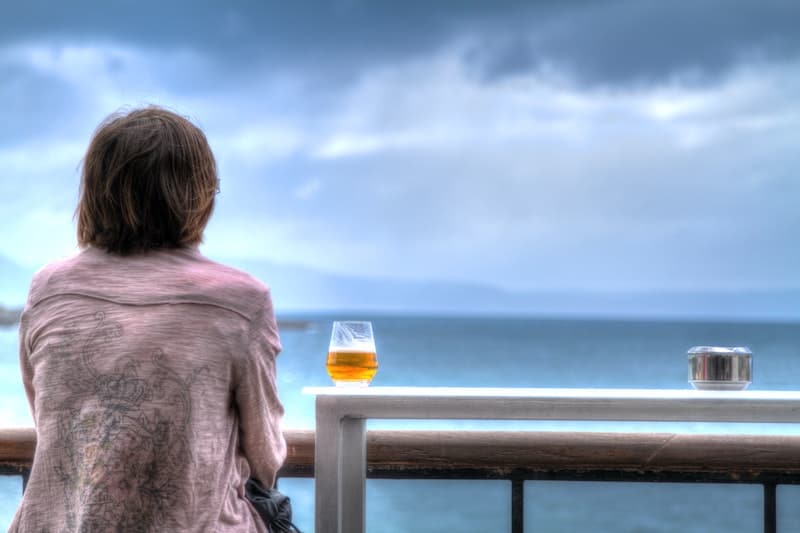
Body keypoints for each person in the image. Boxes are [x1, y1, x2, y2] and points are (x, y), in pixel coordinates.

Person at [9, 106, 286, 532]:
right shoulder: (242, 300)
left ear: (95, 191)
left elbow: (50, 414)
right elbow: (265, 454)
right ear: (199, 192)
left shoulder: (49, 288)